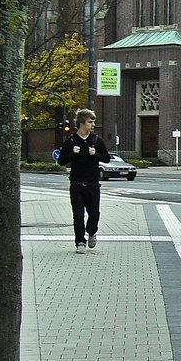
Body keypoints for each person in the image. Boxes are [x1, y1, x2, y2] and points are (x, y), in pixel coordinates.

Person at [56, 108, 111, 254]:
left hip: (93, 184)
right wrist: (72, 154)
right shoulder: (71, 141)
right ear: (82, 123)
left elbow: (106, 158)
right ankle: (80, 241)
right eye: (90, 122)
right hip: (76, 184)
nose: (93, 125)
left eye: (93, 122)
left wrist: (96, 154)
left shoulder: (96, 140)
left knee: (94, 214)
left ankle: (92, 232)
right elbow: (61, 161)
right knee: (78, 215)